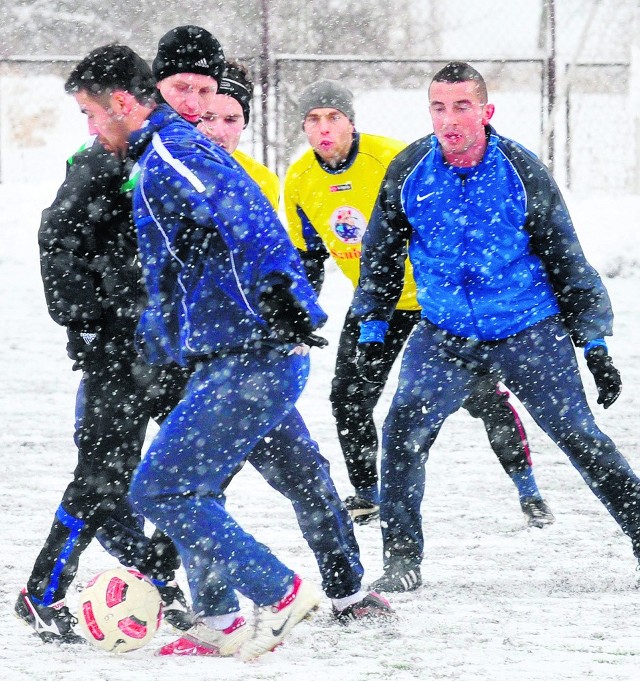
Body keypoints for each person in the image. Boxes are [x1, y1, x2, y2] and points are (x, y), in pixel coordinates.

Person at [64, 41, 393, 660]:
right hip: (224, 355)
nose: (89, 127)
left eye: (91, 112)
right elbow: (173, 268)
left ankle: (281, 592)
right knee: (192, 483)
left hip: (252, 353)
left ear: (122, 102)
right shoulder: (148, 158)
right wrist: (161, 344)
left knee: (163, 491)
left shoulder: (169, 155)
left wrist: (283, 297)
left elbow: (245, 217)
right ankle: (219, 621)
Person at [351, 61, 639, 593]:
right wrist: (371, 328)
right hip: (445, 335)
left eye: (462, 106)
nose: (449, 119)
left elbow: (565, 257)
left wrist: (593, 342)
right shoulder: (410, 170)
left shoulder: (520, 170)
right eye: (439, 107)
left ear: (486, 111)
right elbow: (382, 255)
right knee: (402, 433)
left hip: (528, 329)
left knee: (580, 438)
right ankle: (401, 559)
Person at [284, 79, 554, 530]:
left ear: (352, 122)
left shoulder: (393, 158)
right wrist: (300, 312)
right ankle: (368, 495)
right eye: (313, 119)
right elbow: (308, 256)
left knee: (482, 397)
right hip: (378, 304)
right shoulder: (299, 179)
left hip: (436, 302)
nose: (324, 128)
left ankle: (529, 491)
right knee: (349, 398)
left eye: (334, 117)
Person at [14, 115, 198, 644]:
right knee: (101, 478)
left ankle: (159, 575)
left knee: (191, 471)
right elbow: (57, 241)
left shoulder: (198, 160)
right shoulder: (104, 157)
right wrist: (89, 327)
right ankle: (42, 593)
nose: (196, 105)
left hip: (182, 348)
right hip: (118, 352)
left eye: (207, 94)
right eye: (181, 89)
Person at [197, 60, 280, 210]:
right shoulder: (162, 173)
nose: (218, 132)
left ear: (244, 123)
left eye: (231, 120)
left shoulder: (263, 182)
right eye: (207, 117)